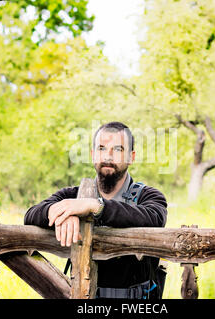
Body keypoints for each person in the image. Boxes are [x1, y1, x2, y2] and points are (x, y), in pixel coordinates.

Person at [24, 121, 168, 299]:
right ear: (93, 155)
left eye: (117, 149)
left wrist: (96, 206)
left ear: (131, 157)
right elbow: (31, 214)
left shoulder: (149, 196)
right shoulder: (73, 196)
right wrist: (67, 213)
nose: (107, 156)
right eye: (101, 148)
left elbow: (154, 218)